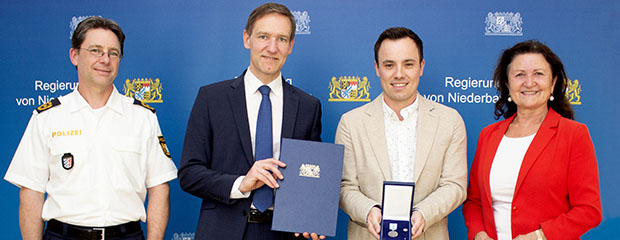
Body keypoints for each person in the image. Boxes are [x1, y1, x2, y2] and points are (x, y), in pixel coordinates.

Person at [4, 16, 178, 240]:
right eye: (95, 50)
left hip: (126, 235)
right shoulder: (47, 117)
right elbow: (31, 192)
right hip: (63, 235)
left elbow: (159, 187)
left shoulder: (142, 117)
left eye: (113, 53)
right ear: (74, 56)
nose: (105, 59)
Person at [178, 3, 323, 240]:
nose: (272, 47)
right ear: (247, 39)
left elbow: (311, 175)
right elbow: (189, 173)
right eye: (263, 36)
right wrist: (241, 183)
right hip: (223, 231)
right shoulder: (211, 98)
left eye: (282, 39)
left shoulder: (308, 106)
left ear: (291, 46)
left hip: (284, 234)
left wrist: (311, 217)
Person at [462, 40, 602, 240]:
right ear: (507, 84)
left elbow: (589, 210)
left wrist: (538, 236)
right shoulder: (489, 135)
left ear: (553, 83)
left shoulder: (573, 134)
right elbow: (474, 201)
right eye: (519, 75)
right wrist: (479, 234)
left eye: (538, 74)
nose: (529, 82)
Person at [336, 27, 468, 240]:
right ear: (377, 68)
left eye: (408, 64)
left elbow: (455, 185)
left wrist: (423, 214)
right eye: (389, 65)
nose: (399, 74)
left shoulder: (449, 120)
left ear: (421, 67)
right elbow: (344, 187)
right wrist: (369, 211)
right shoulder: (351, 123)